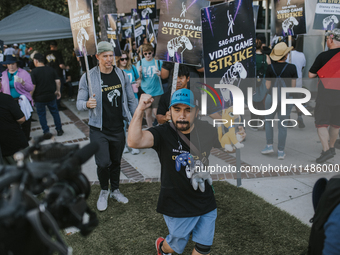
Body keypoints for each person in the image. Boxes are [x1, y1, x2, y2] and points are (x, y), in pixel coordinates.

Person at [128, 88, 220, 255]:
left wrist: (237, 130)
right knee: (176, 246)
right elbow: (134, 141)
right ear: (169, 112)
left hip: (205, 199)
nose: (182, 115)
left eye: (188, 110)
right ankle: (163, 248)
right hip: (176, 204)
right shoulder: (163, 133)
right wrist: (140, 109)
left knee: (204, 247)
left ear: (197, 112)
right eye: (177, 110)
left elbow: (230, 140)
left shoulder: (207, 129)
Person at [77, 41, 137, 211]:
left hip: (118, 127)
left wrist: (134, 120)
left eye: (111, 55)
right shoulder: (88, 77)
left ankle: (115, 190)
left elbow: (131, 99)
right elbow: (79, 102)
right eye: (105, 56)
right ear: (97, 57)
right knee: (103, 163)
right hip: (98, 129)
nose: (109, 59)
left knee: (116, 161)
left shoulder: (122, 74)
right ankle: (104, 191)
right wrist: (87, 104)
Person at [261, 42, 297, 159]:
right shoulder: (292, 68)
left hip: (272, 97)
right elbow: (293, 87)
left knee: (268, 122)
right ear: (286, 55)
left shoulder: (270, 68)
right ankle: (281, 151)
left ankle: (269, 145)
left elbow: (267, 86)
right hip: (286, 99)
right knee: (283, 125)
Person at [309, 28, 340, 163]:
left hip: (325, 95)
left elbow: (311, 75)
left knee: (321, 124)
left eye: (327, 39)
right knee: (335, 124)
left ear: (331, 40)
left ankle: (326, 150)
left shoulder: (323, 56)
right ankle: (332, 147)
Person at [0, 54, 34, 141]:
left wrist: (23, 83)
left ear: (16, 64)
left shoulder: (23, 73)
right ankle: (17, 139)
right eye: (9, 64)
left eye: (13, 63)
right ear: (6, 65)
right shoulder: (3, 74)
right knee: (12, 122)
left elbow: (30, 88)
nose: (11, 66)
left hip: (22, 101)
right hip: (9, 102)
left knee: (25, 121)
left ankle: (25, 139)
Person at [30, 53, 64, 136]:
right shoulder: (51, 69)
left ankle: (46, 132)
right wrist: (58, 91)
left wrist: (30, 97)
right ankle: (59, 130)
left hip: (39, 98)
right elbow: (58, 81)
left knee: (42, 115)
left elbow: (33, 86)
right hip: (51, 96)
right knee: (55, 113)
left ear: (36, 60)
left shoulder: (33, 72)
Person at [0, 72, 28, 164]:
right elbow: (21, 119)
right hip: (14, 144)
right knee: (26, 172)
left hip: (3, 150)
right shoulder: (6, 99)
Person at [117, 50, 141, 155]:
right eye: (122, 59)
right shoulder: (115, 70)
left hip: (133, 98)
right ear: (118, 59)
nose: (124, 61)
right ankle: (123, 146)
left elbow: (138, 79)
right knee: (122, 124)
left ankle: (134, 145)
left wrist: (137, 83)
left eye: (126, 58)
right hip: (121, 99)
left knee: (133, 122)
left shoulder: (132, 68)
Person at [136, 43, 163, 127]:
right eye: (145, 53)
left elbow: (164, 75)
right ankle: (150, 129)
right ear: (143, 54)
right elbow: (138, 79)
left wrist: (160, 73)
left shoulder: (158, 62)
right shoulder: (140, 63)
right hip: (146, 91)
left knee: (156, 112)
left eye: (149, 53)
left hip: (157, 90)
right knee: (148, 113)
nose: (147, 55)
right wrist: (139, 72)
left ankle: (160, 127)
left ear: (153, 52)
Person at [250, 38, 271, 130]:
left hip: (252, 82)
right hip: (263, 81)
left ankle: (254, 124)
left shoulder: (250, 57)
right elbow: (270, 68)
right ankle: (264, 121)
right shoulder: (266, 57)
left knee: (253, 103)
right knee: (262, 102)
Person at [286, 36, 306, 128]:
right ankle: (299, 116)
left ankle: (288, 119)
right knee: (298, 101)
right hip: (298, 81)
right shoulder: (301, 55)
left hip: (287, 82)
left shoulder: (286, 55)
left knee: (287, 101)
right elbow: (303, 67)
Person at [45, 40, 66, 111]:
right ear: (56, 46)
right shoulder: (58, 53)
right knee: (58, 90)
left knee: (51, 90)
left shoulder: (46, 53)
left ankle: (52, 105)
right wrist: (66, 67)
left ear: (50, 46)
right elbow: (61, 65)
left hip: (48, 75)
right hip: (58, 74)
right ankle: (57, 105)